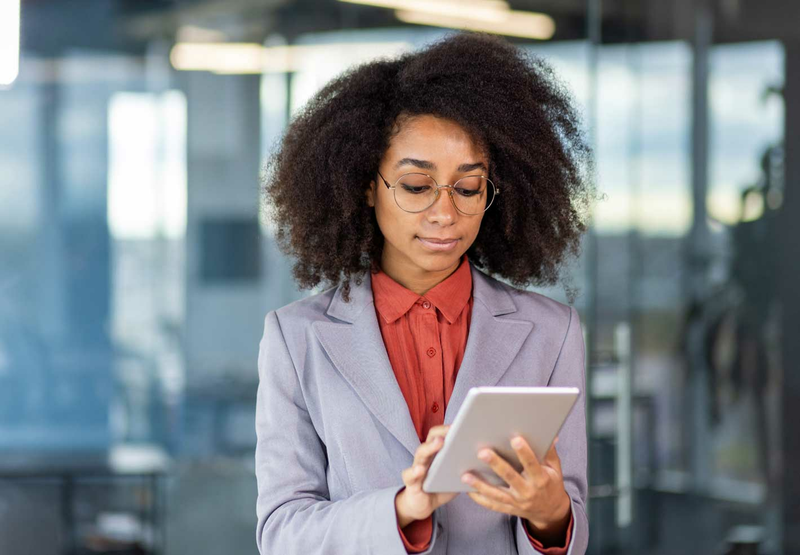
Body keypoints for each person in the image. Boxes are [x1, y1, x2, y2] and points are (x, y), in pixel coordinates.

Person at [255, 30, 594, 555]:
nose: (445, 213)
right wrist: (400, 511)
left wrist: (551, 517)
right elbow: (280, 532)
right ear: (368, 185)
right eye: (416, 186)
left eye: (467, 187)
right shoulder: (295, 338)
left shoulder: (553, 333)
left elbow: (568, 522)